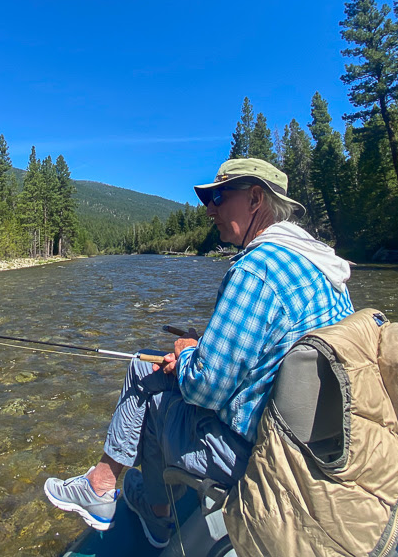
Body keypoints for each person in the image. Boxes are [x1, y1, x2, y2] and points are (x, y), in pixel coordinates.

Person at [43, 158, 355, 548]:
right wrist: (199, 354)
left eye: (219, 197)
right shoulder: (323, 267)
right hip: (317, 450)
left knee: (146, 372)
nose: (210, 209)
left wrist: (190, 352)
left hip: (259, 458)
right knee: (163, 380)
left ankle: (114, 493)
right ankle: (134, 499)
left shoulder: (256, 269)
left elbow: (203, 389)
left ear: (256, 198)